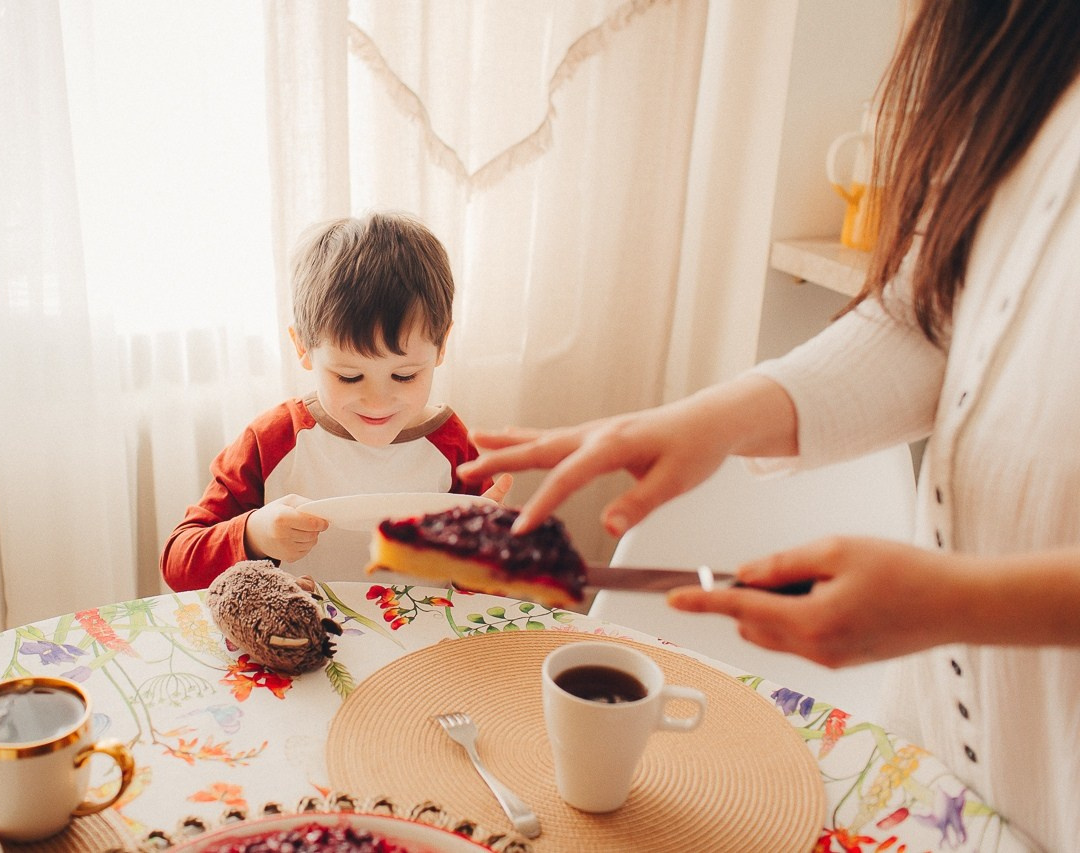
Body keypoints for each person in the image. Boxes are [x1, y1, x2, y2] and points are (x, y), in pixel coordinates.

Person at [458, 2, 1080, 849]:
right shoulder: (1022, 43)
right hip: (945, 762)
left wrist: (955, 600)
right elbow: (931, 311)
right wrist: (710, 419)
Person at [163, 211, 510, 592]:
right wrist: (252, 535)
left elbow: (489, 590)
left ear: (441, 347)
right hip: (297, 645)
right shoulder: (274, 439)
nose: (377, 400)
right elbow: (178, 563)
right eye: (349, 376)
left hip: (423, 649)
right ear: (303, 348)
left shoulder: (451, 446)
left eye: (404, 375)